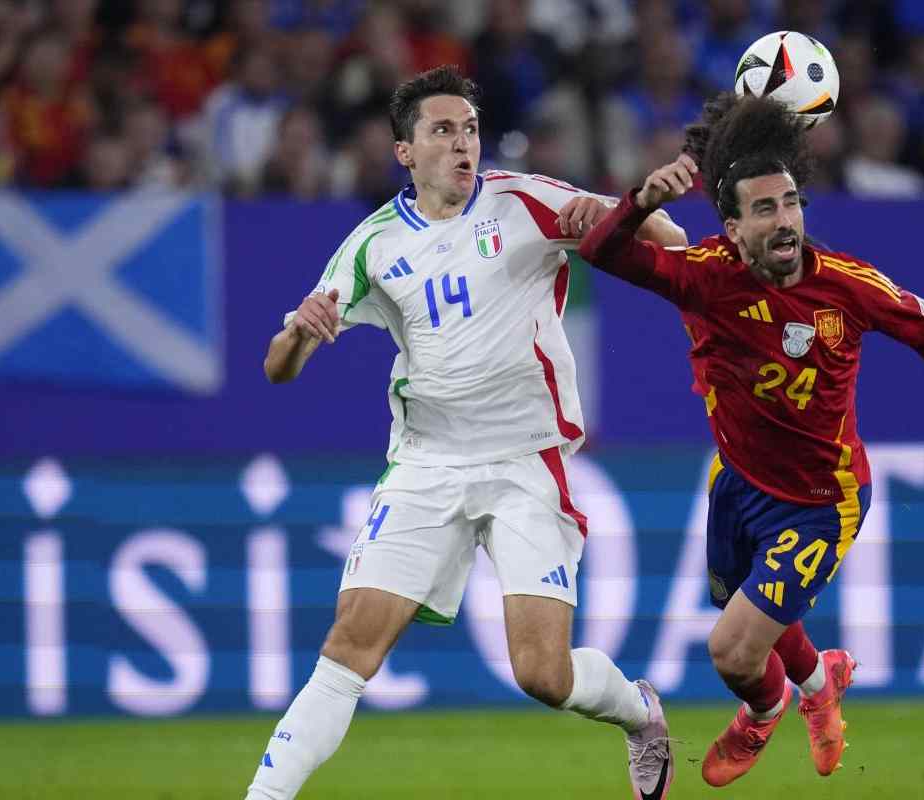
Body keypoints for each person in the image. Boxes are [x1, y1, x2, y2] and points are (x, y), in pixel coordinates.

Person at [579, 94, 924, 785]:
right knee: (745, 611)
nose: (784, 222)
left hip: (820, 501)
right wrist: (639, 199)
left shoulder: (848, 289)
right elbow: (601, 251)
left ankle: (764, 711)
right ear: (733, 228)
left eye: (791, 203)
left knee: (735, 652)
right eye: (764, 210)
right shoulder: (707, 278)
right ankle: (819, 684)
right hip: (739, 482)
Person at [249, 65, 686, 800]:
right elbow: (277, 367)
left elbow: (664, 237)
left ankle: (640, 712)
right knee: (349, 646)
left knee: (543, 674)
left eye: (470, 129)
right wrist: (301, 332)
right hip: (427, 463)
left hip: (524, 463)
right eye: (442, 131)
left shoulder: (527, 201)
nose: (462, 144)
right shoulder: (373, 245)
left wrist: (625, 219)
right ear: (405, 153)